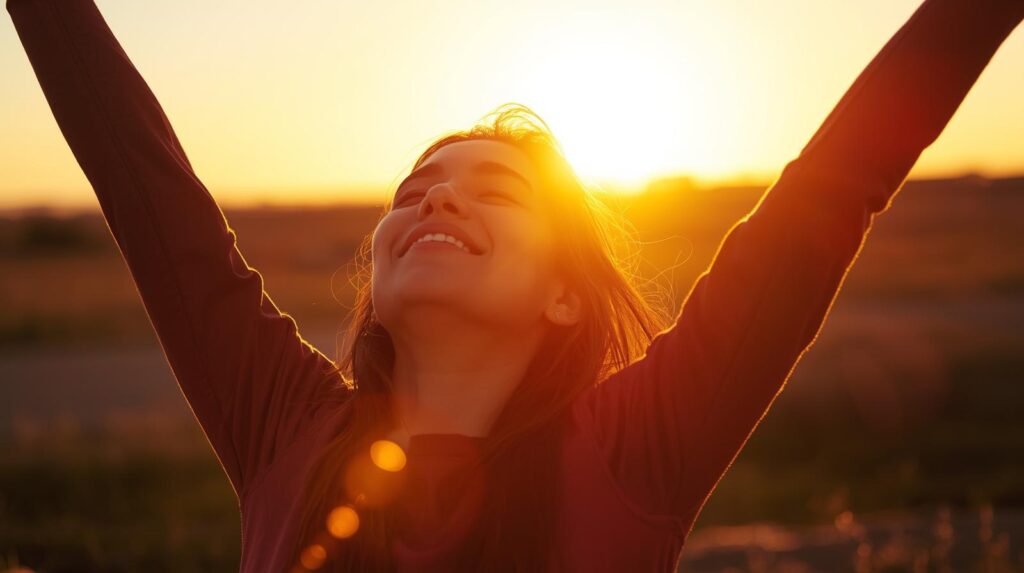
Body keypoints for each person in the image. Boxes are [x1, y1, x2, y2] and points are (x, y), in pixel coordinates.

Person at [7, 0, 1022, 571]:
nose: (435, 205)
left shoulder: (636, 449)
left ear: (565, 295)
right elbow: (146, 187)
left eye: (491, 191)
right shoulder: (284, 429)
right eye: (414, 191)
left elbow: (831, 191)